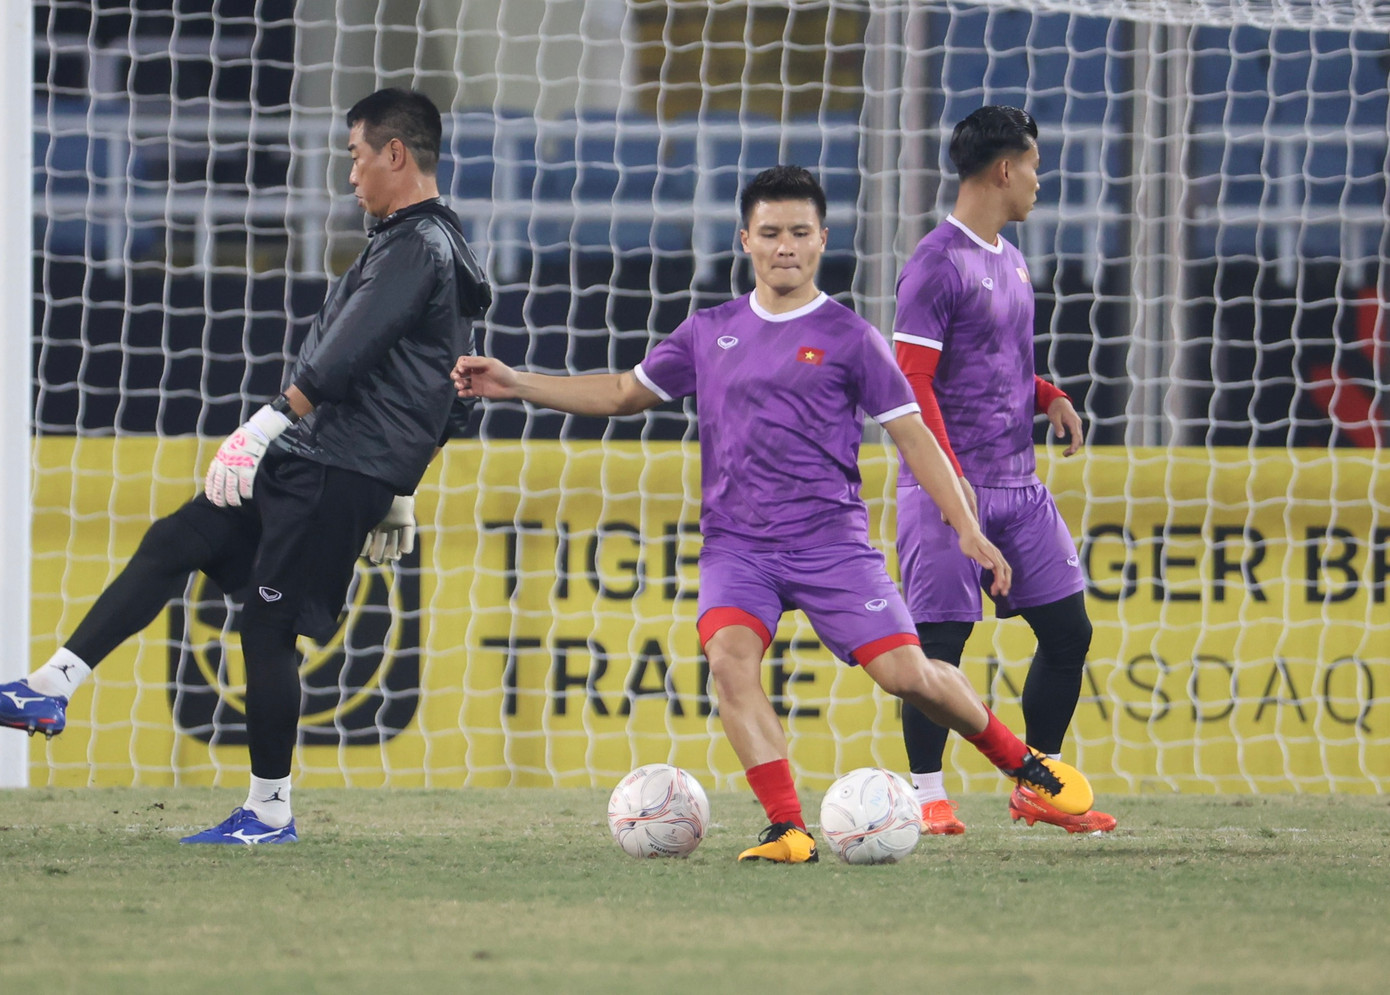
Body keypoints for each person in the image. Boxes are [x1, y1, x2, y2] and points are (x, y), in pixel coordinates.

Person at [453, 165, 1095, 864]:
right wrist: (516, 383)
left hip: (833, 546)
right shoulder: (710, 330)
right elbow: (618, 393)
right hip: (739, 550)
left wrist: (967, 529)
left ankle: (1023, 763)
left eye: (798, 232)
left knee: (910, 674)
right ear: (746, 241)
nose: (784, 245)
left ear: (822, 239)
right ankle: (787, 826)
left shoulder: (852, 337)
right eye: (769, 233)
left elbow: (916, 437)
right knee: (730, 662)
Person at [0, 88, 491, 844]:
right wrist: (401, 490)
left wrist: (268, 422)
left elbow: (347, 350)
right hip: (326, 457)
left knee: (267, 625)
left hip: (331, 460)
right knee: (177, 540)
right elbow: (452, 390)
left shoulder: (416, 246)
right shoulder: (429, 244)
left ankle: (268, 810)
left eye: (357, 156)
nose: (351, 175)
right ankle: (49, 686)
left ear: (396, 153)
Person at [892, 106, 1115, 835]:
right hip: (948, 487)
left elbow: (1000, 362)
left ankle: (1040, 780)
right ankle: (928, 796)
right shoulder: (935, 263)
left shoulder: (1012, 259)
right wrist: (950, 486)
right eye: (1037, 167)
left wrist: (1046, 394)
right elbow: (913, 381)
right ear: (1005, 169)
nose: (1042, 183)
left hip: (1019, 486)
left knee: (1068, 632)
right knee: (938, 649)